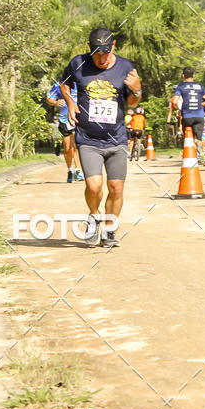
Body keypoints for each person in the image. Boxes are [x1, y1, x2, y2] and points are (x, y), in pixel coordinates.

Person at [59, 27, 142, 248]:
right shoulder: (78, 63)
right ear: (89, 48)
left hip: (116, 138)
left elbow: (132, 102)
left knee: (116, 188)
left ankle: (109, 230)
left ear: (113, 46)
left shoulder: (125, 67)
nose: (102, 58)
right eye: (97, 54)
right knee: (94, 186)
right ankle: (94, 216)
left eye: (105, 53)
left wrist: (137, 91)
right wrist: (70, 102)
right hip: (88, 139)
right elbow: (64, 84)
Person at [172, 67, 205, 165]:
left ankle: (190, 157)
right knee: (199, 139)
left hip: (187, 116)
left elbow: (174, 101)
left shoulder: (181, 86)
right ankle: (201, 152)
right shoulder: (200, 86)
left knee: (189, 137)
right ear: (194, 75)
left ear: (183, 76)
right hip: (199, 116)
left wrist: (178, 109)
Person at [46, 80, 84, 182]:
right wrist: (55, 102)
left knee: (78, 146)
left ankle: (78, 171)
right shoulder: (59, 85)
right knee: (67, 148)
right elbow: (48, 98)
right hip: (65, 119)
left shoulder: (82, 82)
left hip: (80, 118)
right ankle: (70, 170)